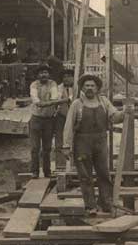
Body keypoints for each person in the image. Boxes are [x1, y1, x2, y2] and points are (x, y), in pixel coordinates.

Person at [63, 74, 132, 216]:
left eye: (92, 86)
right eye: (87, 86)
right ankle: (90, 206)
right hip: (82, 142)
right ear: (82, 87)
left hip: (100, 141)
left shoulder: (103, 101)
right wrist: (66, 145)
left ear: (97, 88)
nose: (89, 88)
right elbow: (69, 125)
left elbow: (114, 117)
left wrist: (124, 112)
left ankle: (106, 203)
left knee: (104, 173)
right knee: (85, 175)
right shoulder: (77, 104)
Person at [29, 64, 59, 178]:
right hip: (36, 118)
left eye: (46, 72)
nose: (43, 75)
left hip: (49, 120)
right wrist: (51, 102)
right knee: (35, 147)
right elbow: (36, 101)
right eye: (41, 73)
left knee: (47, 147)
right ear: (37, 75)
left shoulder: (53, 84)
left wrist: (51, 102)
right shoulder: (34, 85)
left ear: (49, 74)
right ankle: (35, 171)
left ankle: (47, 171)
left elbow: (54, 98)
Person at [47, 56, 72, 169]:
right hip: (62, 116)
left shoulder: (78, 88)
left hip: (75, 118)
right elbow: (55, 99)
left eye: (69, 76)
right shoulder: (59, 87)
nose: (66, 79)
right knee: (59, 142)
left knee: (76, 141)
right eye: (64, 77)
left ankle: (75, 166)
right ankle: (60, 166)